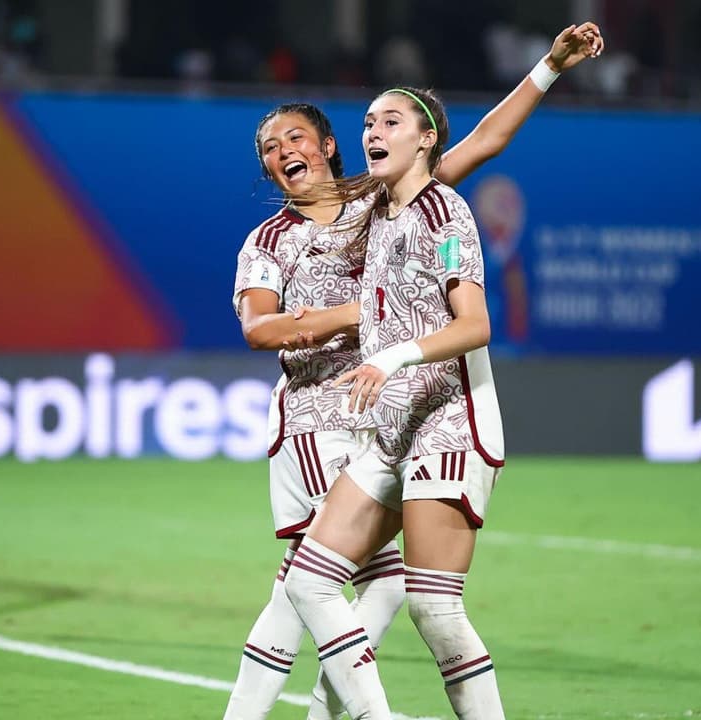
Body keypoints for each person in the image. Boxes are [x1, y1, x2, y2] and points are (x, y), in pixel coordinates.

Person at [226, 23, 605, 720]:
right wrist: (360, 319)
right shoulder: (277, 238)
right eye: (269, 149)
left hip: (413, 410)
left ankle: (324, 708)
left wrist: (550, 67)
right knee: (319, 582)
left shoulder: (387, 203)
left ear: (328, 146)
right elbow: (259, 326)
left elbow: (483, 142)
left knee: (390, 591)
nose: (282, 153)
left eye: (295, 138)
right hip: (333, 415)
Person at [279, 85, 515, 719]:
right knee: (309, 580)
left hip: (448, 424)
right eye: (367, 122)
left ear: (425, 138)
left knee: (434, 606)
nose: (372, 133)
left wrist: (391, 356)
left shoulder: (445, 213)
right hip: (390, 431)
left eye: (390, 121)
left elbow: (475, 325)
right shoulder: (377, 209)